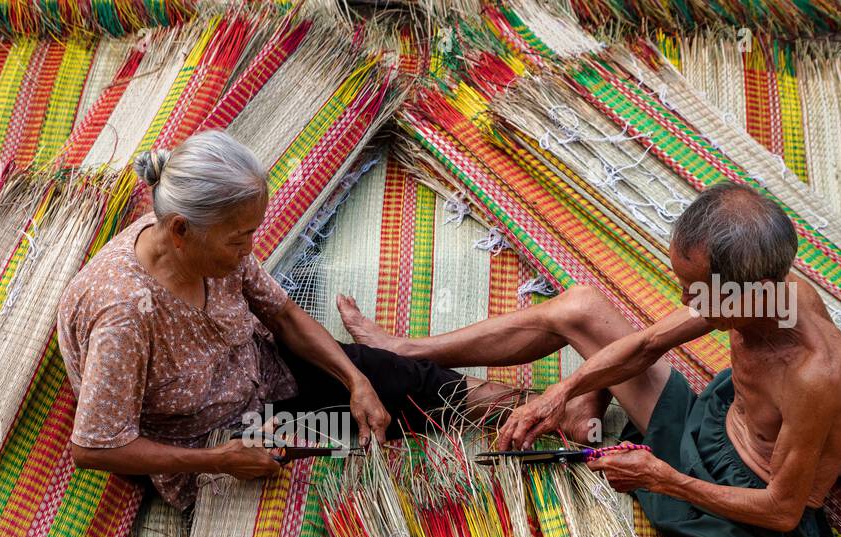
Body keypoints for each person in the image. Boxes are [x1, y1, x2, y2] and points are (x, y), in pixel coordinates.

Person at [338, 182, 841, 537]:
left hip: (747, 514)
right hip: (705, 428)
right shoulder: (760, 291)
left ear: (741, 292)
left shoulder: (816, 374)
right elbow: (646, 345)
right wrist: (559, 392)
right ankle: (407, 351)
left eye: (694, 290)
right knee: (580, 308)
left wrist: (661, 478)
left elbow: (781, 509)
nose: (685, 301)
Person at [57, 130, 514, 511]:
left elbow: (284, 315)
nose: (249, 250)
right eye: (239, 238)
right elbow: (94, 447)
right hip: (214, 439)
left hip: (266, 376)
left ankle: (533, 408)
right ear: (179, 230)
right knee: (329, 467)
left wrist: (354, 380)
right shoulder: (123, 313)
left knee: (395, 379)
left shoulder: (212, 248)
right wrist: (221, 459)